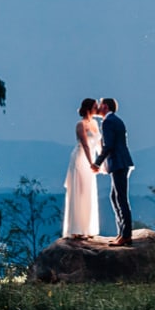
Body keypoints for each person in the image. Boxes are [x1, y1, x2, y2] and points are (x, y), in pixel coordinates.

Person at [92, 97, 135, 246]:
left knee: (121, 198)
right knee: (115, 197)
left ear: (105, 106)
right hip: (121, 162)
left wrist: (97, 163)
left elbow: (109, 145)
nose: (98, 106)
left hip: (118, 163)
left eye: (100, 103)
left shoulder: (108, 121)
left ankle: (126, 235)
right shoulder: (115, 120)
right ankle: (122, 233)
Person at [62, 98, 101, 239]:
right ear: (90, 108)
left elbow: (98, 144)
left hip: (91, 159)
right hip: (80, 160)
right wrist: (92, 163)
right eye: (95, 107)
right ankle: (77, 229)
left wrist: (101, 162)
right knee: (80, 191)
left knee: (88, 191)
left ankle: (87, 228)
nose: (98, 109)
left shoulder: (95, 123)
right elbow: (85, 144)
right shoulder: (81, 124)